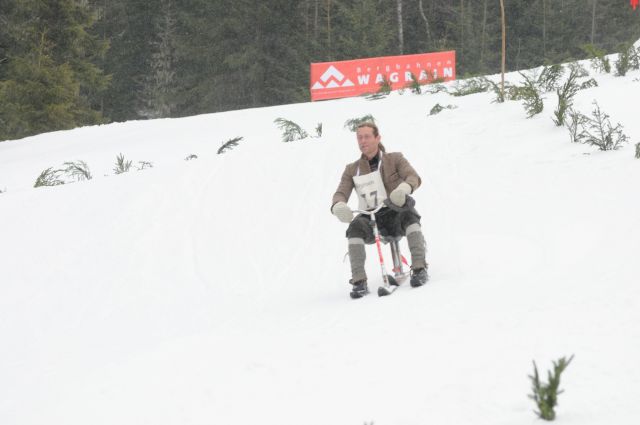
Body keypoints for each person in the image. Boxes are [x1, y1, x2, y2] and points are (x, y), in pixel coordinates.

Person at [331, 122, 429, 298]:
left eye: (367, 136)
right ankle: (359, 281)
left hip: (395, 210)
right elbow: (341, 193)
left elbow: (413, 177)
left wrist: (404, 189)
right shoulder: (352, 170)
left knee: (410, 215)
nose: (363, 141)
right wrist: (338, 205)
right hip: (371, 216)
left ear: (377, 138)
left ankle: (419, 268)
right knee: (354, 228)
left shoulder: (395, 159)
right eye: (359, 137)